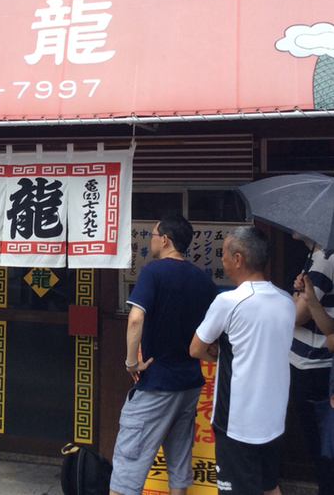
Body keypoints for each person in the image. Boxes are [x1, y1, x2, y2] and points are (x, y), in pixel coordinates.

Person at [109, 212, 217, 495]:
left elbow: (135, 318)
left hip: (157, 382)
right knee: (179, 459)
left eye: (153, 234)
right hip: (189, 382)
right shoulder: (203, 280)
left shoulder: (153, 271)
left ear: (165, 239)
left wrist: (132, 362)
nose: (151, 239)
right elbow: (214, 332)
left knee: (129, 460)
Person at [190, 226, 295, 495]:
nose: (222, 259)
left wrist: (218, 353)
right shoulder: (286, 301)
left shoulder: (229, 301)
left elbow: (196, 348)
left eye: (224, 253)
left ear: (238, 259)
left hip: (237, 422)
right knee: (270, 486)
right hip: (273, 419)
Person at [290, 233, 334, 495]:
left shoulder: (325, 261)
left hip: (314, 363)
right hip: (311, 361)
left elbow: (297, 316)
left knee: (320, 443)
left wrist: (299, 297)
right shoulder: (317, 259)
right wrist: (301, 293)